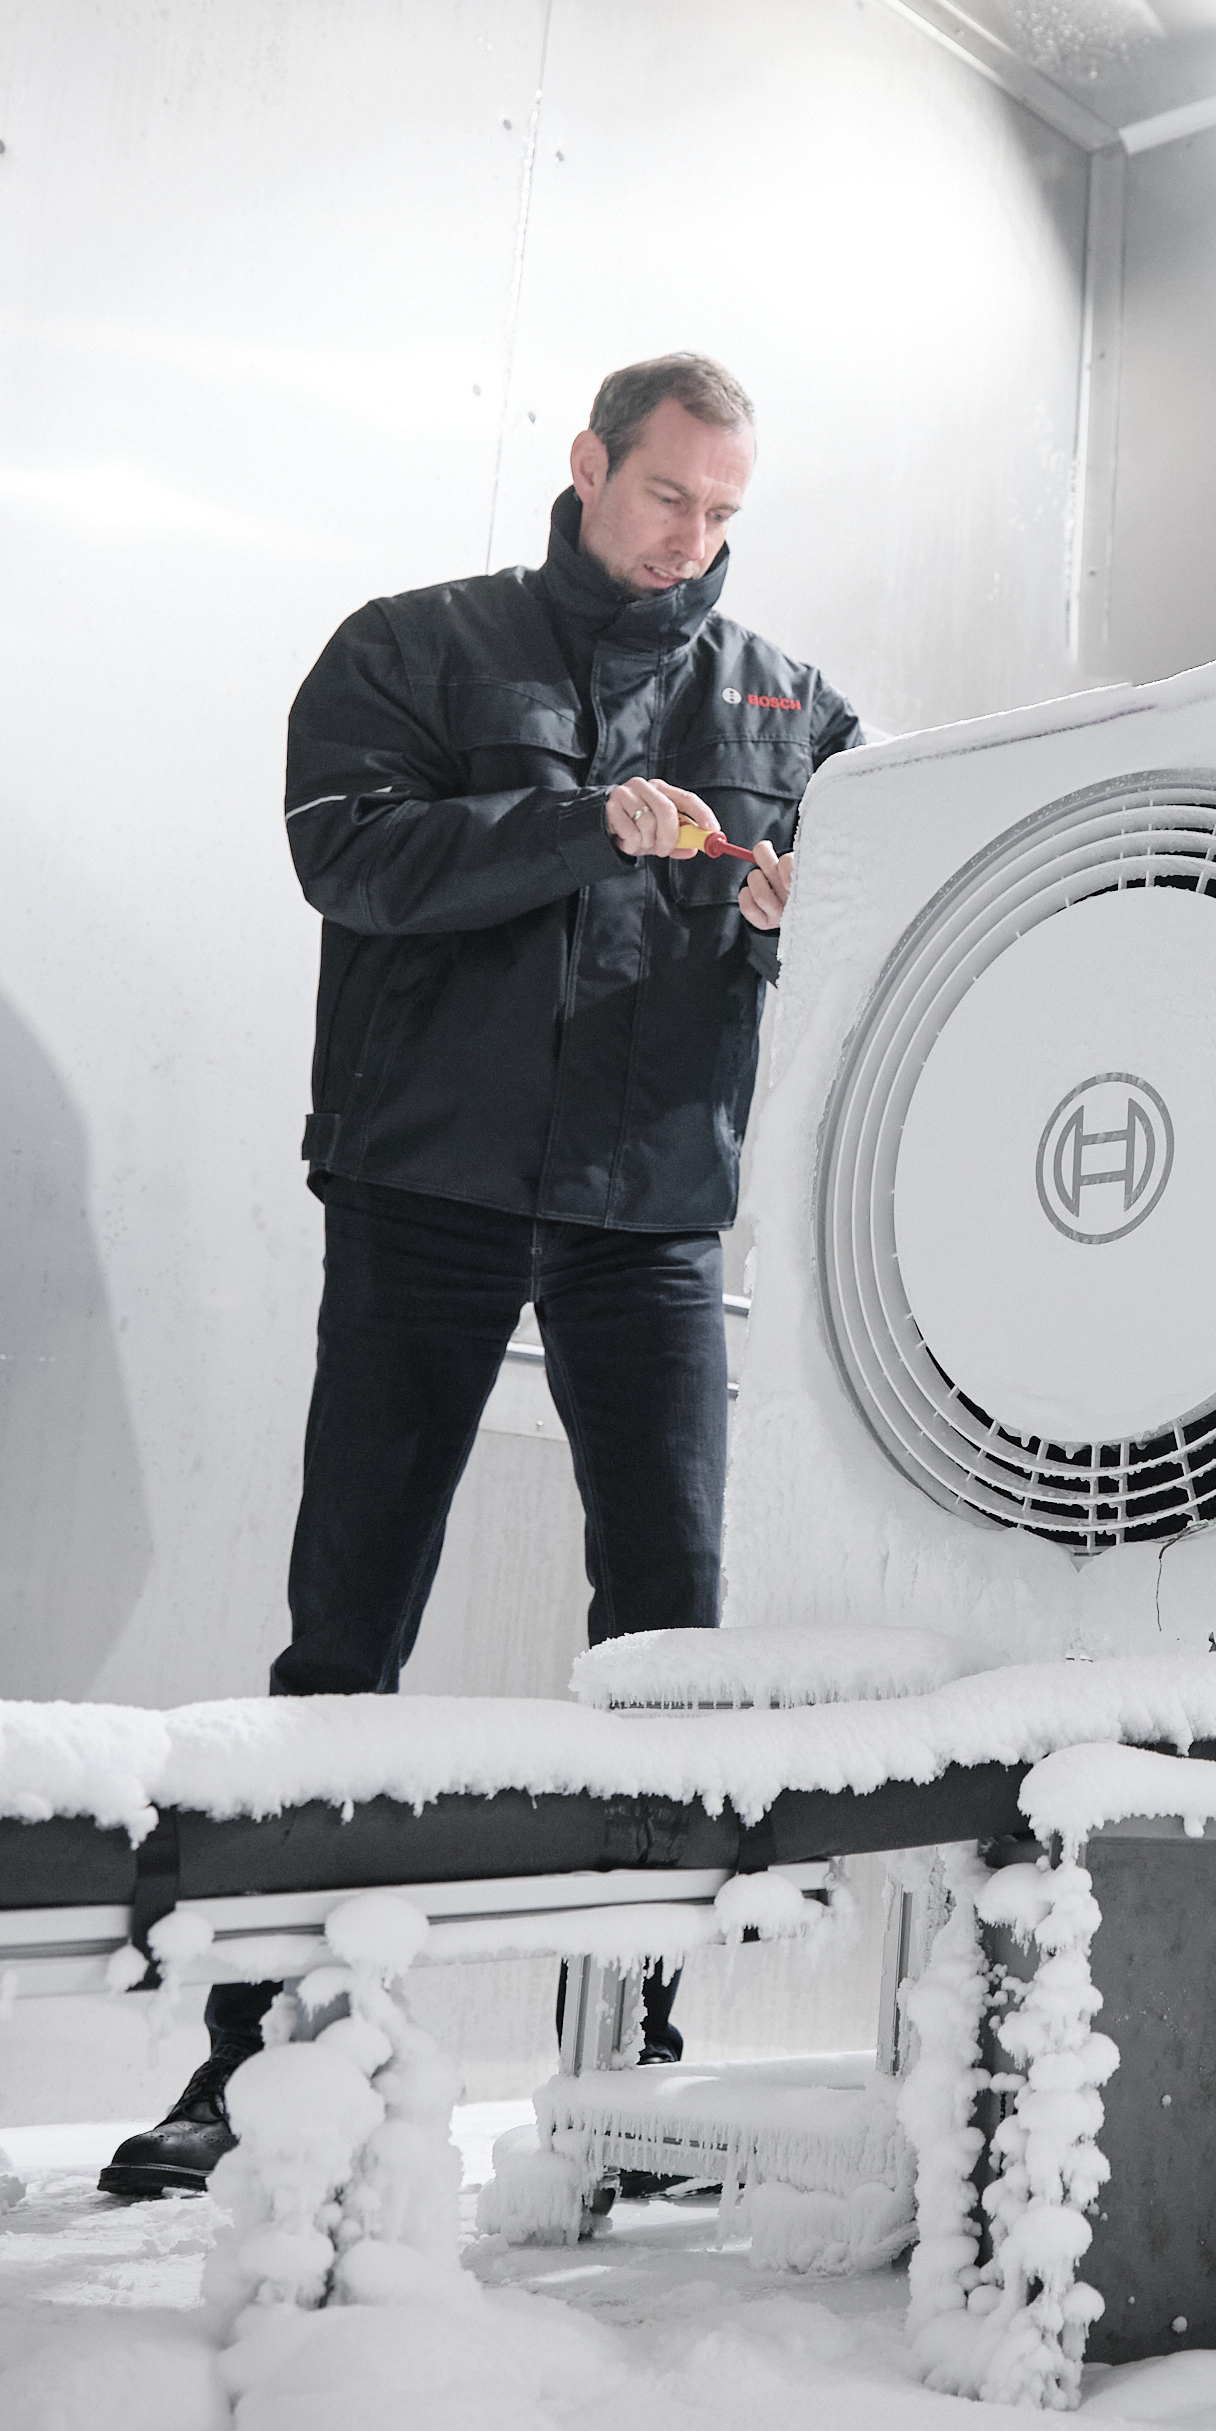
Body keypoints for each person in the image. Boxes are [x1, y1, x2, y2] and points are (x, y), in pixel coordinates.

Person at [100, 352, 860, 2198]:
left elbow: (871, 927)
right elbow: (344, 860)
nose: (695, 544)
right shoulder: (418, 647)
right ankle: (249, 2074)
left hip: (656, 1208)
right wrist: (575, 823)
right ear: (591, 465)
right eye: (671, 498)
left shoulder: (789, 703)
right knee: (347, 1623)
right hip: (424, 1186)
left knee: (669, 1639)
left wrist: (792, 920)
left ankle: (642, 2080)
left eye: (727, 516)